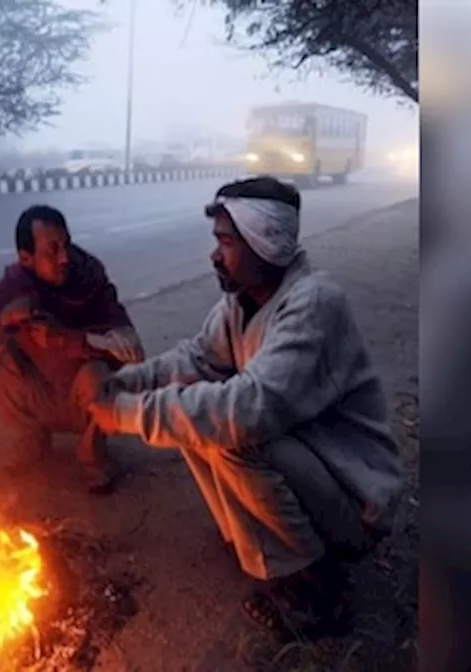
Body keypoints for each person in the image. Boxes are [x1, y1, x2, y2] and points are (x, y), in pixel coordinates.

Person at [87, 176, 404, 637]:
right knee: (194, 413)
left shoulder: (315, 303)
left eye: (227, 242)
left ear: (266, 244)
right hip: (315, 471)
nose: (215, 254)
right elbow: (196, 359)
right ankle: (253, 540)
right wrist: (119, 385)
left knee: (232, 432)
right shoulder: (240, 302)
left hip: (356, 501)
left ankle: (316, 589)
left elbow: (246, 411)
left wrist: (125, 415)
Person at [0, 205, 144, 495]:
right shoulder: (13, 287)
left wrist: (69, 339)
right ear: (26, 258)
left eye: (66, 245)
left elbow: (133, 349)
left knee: (98, 374)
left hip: (83, 400)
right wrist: (2, 321)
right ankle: (33, 438)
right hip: (39, 394)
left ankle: (92, 452)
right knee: (4, 360)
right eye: (51, 251)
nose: (65, 258)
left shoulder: (90, 278)